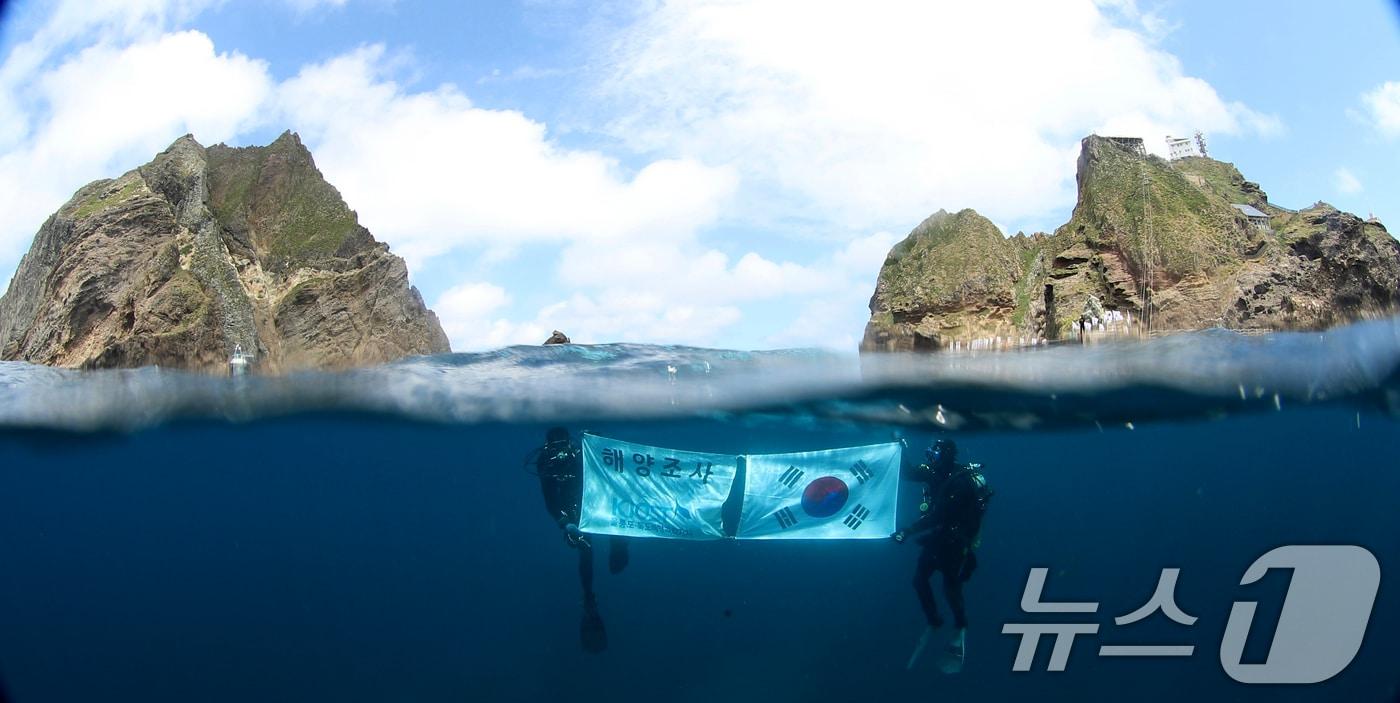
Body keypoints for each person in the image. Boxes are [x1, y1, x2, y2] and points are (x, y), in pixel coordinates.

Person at [892, 438, 992, 672]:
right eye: (930, 453)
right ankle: (934, 619)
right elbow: (907, 473)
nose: (930, 458)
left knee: (950, 587)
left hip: (955, 542)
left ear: (947, 455)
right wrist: (900, 446)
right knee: (919, 580)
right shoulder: (932, 472)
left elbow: (940, 516)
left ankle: (960, 625)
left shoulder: (961, 482)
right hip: (937, 537)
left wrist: (907, 531)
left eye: (935, 454)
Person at [533, 426, 629, 653]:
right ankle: (588, 598)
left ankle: (619, 544)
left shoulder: (582, 453)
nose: (560, 451)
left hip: (598, 500)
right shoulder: (545, 462)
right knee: (584, 548)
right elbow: (550, 499)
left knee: (615, 531)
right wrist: (565, 523)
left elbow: (610, 477)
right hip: (572, 510)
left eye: (563, 444)